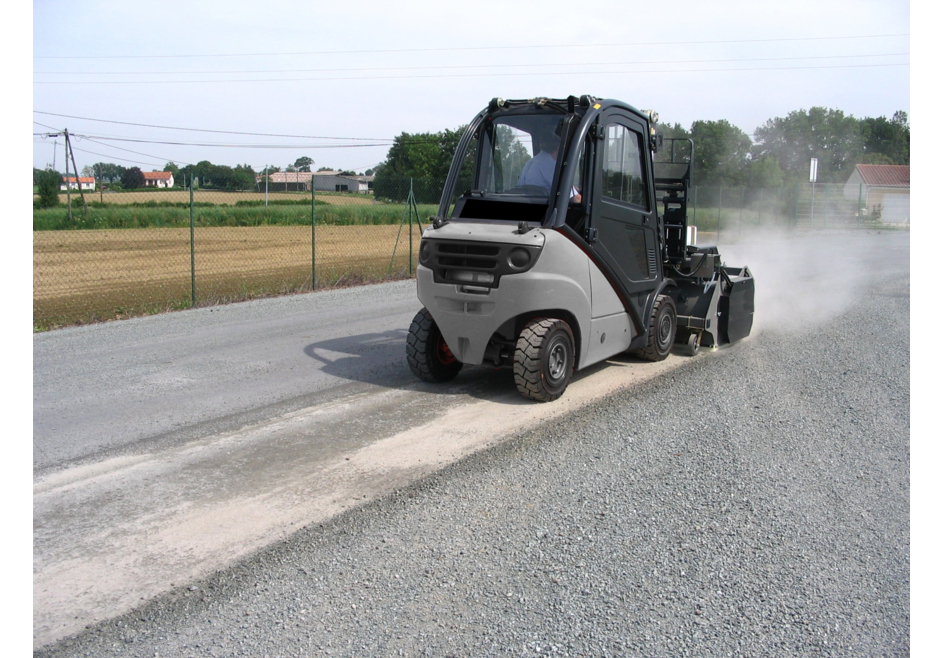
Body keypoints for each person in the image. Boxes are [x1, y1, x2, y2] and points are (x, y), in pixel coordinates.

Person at [516, 126, 582, 203]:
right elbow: (576, 199)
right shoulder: (552, 166)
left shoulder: (530, 163)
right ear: (558, 146)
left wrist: (574, 189)